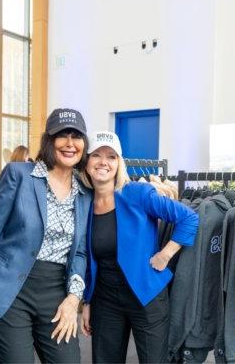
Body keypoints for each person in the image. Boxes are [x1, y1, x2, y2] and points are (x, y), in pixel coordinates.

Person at [0, 108, 92, 363]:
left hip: (55, 293)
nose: (70, 144)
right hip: (7, 290)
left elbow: (80, 250)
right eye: (62, 135)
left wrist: (74, 298)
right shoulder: (19, 174)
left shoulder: (84, 192)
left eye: (77, 136)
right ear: (49, 140)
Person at [79, 131, 199, 363]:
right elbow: (85, 256)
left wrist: (166, 253)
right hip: (105, 299)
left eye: (111, 157)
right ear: (87, 162)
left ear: (119, 164)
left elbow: (189, 218)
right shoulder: (83, 202)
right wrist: (87, 301)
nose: (103, 162)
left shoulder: (138, 193)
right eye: (96, 155)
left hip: (146, 295)